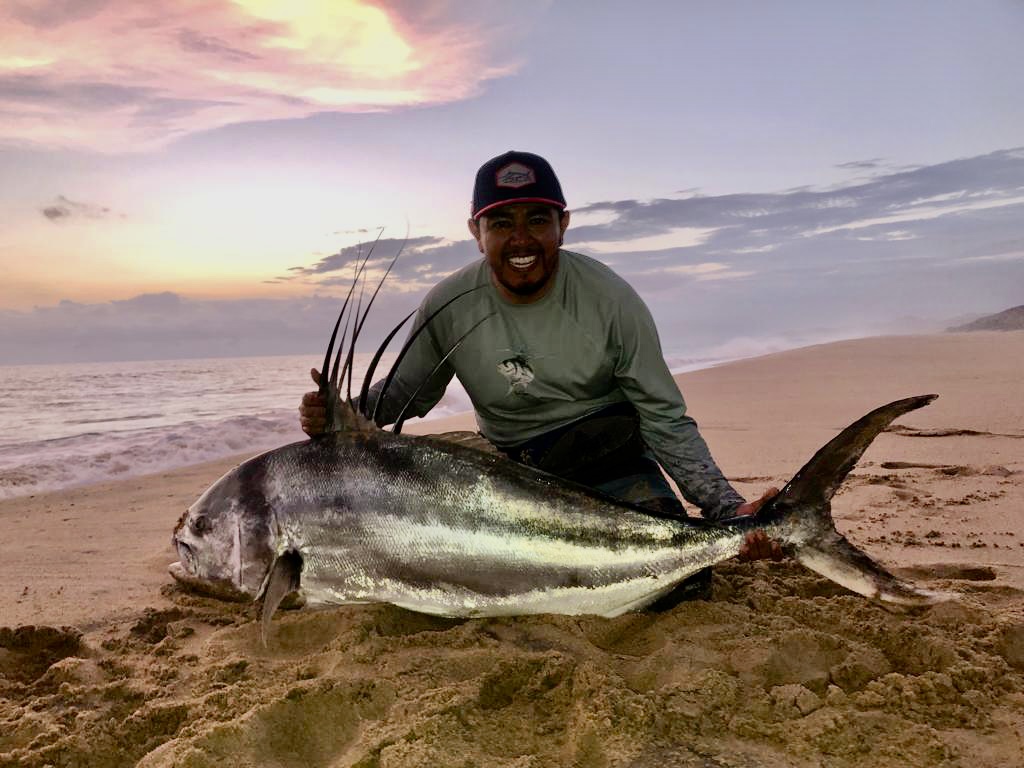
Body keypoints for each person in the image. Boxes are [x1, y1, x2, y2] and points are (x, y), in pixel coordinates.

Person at [300, 151, 780, 601]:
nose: (521, 239)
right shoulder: (447, 305)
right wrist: (346, 412)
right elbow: (407, 395)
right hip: (506, 476)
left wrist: (726, 508)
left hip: (609, 462)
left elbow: (664, 418)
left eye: (538, 220)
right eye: (501, 222)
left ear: (563, 224)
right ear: (476, 230)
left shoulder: (611, 301)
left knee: (682, 587)